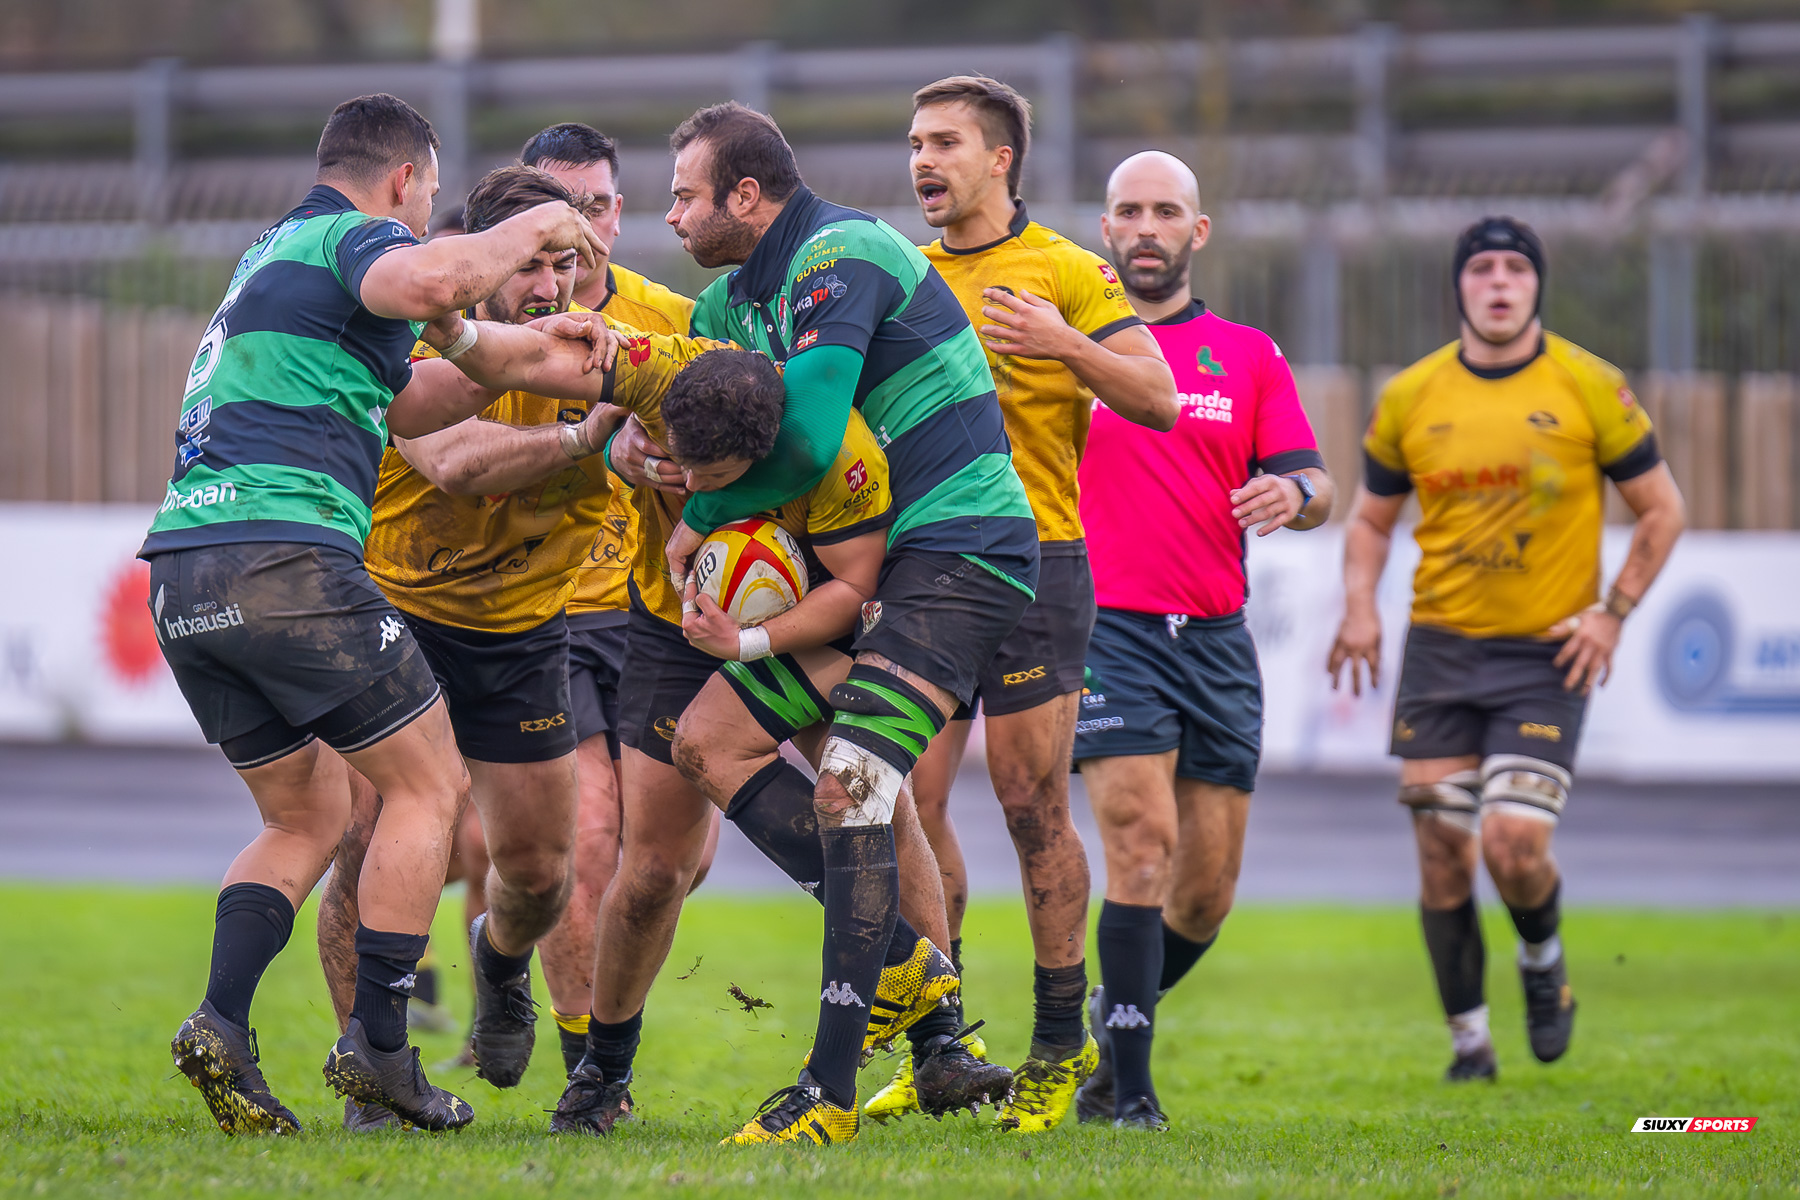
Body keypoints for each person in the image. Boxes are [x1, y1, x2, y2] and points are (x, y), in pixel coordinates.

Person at [145, 93, 602, 1134]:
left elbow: (407, 406)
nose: (429, 210)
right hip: (286, 556)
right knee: (430, 786)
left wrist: (511, 359)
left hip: (185, 567)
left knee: (305, 817)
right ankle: (385, 1053)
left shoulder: (273, 256)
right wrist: (539, 226)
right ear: (406, 180)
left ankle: (221, 1021)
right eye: (431, 193)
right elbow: (434, 273)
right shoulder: (358, 234)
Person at [399, 310, 968, 1139]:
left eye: (714, 475)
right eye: (681, 467)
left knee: (877, 794)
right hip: (671, 628)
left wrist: (748, 637)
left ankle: (939, 1039)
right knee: (657, 865)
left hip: (804, 617)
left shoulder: (840, 453)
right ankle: (602, 1071)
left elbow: (852, 583)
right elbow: (533, 377)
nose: (694, 488)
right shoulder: (645, 367)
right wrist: (608, 438)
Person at [640, 101, 1040, 1145]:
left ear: (745, 194)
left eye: (684, 193)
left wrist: (698, 522)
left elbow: (811, 434)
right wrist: (632, 458)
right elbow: (689, 427)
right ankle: (921, 994)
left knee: (851, 786)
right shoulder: (726, 302)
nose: (667, 214)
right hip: (863, 568)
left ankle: (826, 1094)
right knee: (709, 742)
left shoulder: (845, 250)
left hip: (959, 551)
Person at [873, 75, 1178, 1131]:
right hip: (916, 567)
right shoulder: (898, 273)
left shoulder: (1065, 270)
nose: (923, 161)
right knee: (907, 802)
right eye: (915, 142)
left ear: (999, 158)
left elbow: (1159, 399)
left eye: (945, 142)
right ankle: (943, 1046)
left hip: (1038, 562)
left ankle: (1057, 1045)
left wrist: (1065, 344)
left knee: (1030, 804)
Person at [313, 165, 647, 1129]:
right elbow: (456, 463)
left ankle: (501, 964)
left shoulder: (605, 349)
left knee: (541, 874)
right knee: (366, 840)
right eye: (531, 265)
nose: (548, 287)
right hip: (398, 612)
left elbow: (677, 426)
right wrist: (590, 441)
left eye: (565, 267)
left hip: (523, 632)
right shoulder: (413, 334)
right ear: (485, 262)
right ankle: (369, 1070)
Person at [1328, 216, 1686, 1081]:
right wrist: (1359, 608)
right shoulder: (1413, 395)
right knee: (1443, 849)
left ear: (1536, 286)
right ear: (1459, 285)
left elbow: (1663, 511)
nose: (1498, 282)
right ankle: (1470, 1043)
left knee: (1513, 844)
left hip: (1544, 656)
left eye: (1515, 269)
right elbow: (1371, 520)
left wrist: (1613, 612)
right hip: (1442, 650)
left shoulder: (1591, 385)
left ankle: (1542, 963)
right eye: (1481, 268)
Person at [1070, 151, 1334, 1130]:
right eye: (1128, 210)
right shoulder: (1070, 349)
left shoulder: (1249, 355)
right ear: (1105, 230)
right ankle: (1129, 1092)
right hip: (1107, 629)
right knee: (1141, 845)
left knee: (1204, 896)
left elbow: (1317, 484)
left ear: (1197, 231)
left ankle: (1113, 1019)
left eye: (1164, 211)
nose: (1145, 226)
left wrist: (1295, 493)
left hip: (1217, 638)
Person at [519, 121, 721, 1075]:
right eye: (560, 211)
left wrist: (668, 466)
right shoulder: (492, 326)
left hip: (653, 606)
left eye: (595, 208)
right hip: (544, 604)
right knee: (588, 835)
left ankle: (497, 951)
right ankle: (588, 1071)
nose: (581, 231)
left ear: (619, 210)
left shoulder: (676, 316)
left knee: (674, 861)